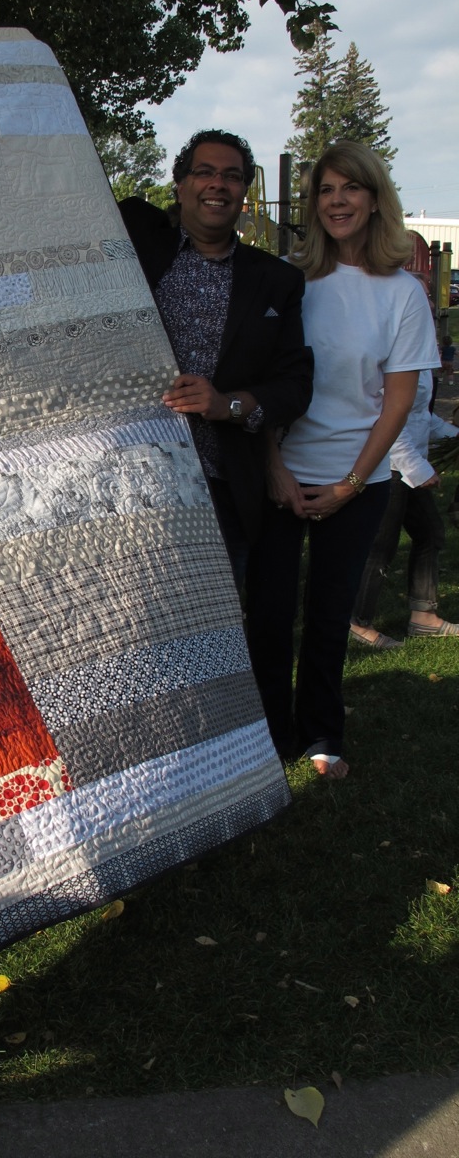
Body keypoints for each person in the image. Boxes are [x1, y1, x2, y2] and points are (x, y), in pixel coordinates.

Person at [245, 141, 440, 779]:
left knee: (330, 617)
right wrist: (275, 466)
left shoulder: (403, 293)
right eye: (325, 190)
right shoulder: (288, 280)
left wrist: (352, 485)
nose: (336, 201)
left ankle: (322, 734)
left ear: (375, 198)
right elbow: (267, 382)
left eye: (349, 188)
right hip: (280, 473)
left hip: (358, 481)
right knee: (270, 613)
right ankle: (270, 736)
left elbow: (399, 400)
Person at [118, 130, 312, 588]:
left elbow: (295, 384)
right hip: (132, 475)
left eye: (232, 176)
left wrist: (229, 404)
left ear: (244, 192)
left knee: (217, 624)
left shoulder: (276, 281)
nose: (217, 185)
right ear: (180, 184)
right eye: (204, 173)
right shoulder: (136, 249)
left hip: (221, 484)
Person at [349, 368, 459, 647]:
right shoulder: (392, 359)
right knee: (380, 546)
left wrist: (454, 436)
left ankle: (424, 615)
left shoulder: (418, 363)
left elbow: (421, 416)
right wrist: (419, 469)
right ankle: (357, 622)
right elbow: (386, 421)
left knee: (430, 533)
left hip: (410, 468)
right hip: (389, 467)